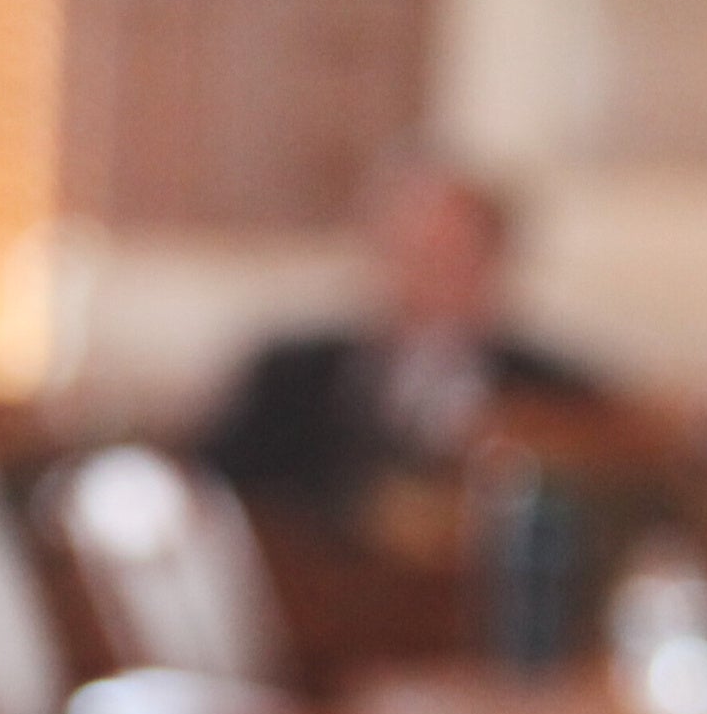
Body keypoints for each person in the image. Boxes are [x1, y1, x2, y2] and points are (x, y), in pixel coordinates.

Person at [199, 159, 601, 515]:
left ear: (496, 259)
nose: (432, 275)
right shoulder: (292, 379)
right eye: (415, 253)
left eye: (454, 254)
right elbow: (221, 492)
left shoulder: (560, 392)